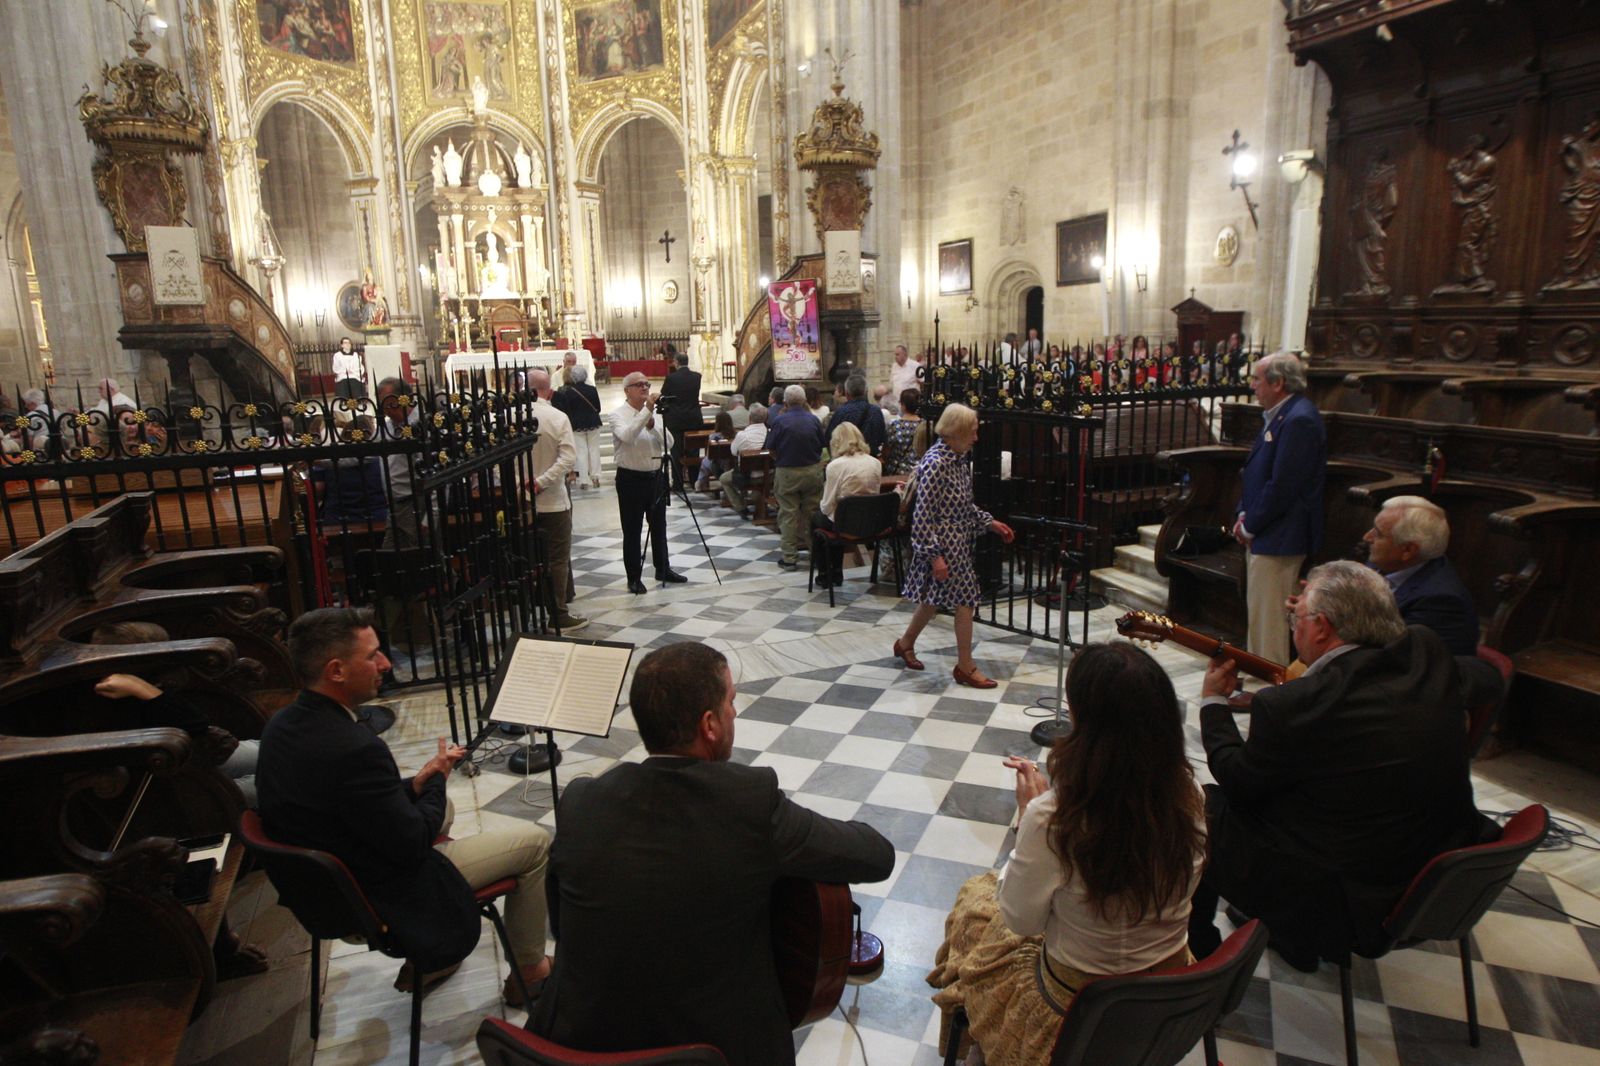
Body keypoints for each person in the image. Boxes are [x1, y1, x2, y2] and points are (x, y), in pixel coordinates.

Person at [527, 642, 893, 1064]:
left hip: (575, 1046)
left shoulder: (581, 801)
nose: (734, 712)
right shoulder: (749, 802)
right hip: (712, 1052)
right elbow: (875, 856)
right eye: (731, 702)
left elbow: (561, 925)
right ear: (710, 725)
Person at [1189, 561, 1487, 970]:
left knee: (1200, 809)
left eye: (1295, 618)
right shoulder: (1427, 651)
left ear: (1321, 627)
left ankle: (1203, 954)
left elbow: (1239, 780)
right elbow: (1490, 679)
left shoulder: (1299, 704)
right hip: (1435, 870)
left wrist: (1214, 702)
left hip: (1344, 894)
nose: (1293, 628)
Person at [928, 643, 1206, 1066]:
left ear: (1086, 726)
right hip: (1167, 996)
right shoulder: (1191, 795)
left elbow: (1022, 920)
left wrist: (1028, 818)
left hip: (1076, 1011)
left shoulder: (1055, 817)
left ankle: (976, 1053)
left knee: (975, 903)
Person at [257, 608, 553, 1000]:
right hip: (373, 894)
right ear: (336, 670)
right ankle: (529, 975)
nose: (385, 664)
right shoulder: (355, 748)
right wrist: (435, 782)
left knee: (440, 808)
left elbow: (350, 799)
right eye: (372, 655)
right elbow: (412, 842)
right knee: (534, 844)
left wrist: (416, 784)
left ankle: (436, 961)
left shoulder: (283, 723)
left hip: (324, 882)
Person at [891, 403, 1015, 687]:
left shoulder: (957, 460)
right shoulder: (936, 464)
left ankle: (905, 643)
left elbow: (962, 506)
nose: (976, 438)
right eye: (972, 432)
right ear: (956, 432)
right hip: (943, 546)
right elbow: (922, 516)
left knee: (932, 599)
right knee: (966, 600)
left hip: (957, 542)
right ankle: (965, 666)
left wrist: (989, 523)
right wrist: (935, 557)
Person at [1233, 352, 1325, 666]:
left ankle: (1265, 687)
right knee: (1260, 614)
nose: (1253, 387)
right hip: (1267, 529)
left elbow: (1283, 485)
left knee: (1270, 619)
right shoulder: (1281, 414)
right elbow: (1256, 473)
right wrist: (1243, 514)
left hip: (1281, 534)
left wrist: (1250, 525)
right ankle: (1255, 675)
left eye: (1257, 380)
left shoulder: (1299, 419)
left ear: (1278, 382)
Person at [1364, 495, 1478, 655]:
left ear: (1407, 550)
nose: (1367, 537)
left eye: (1378, 534)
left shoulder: (1440, 601)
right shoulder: (1385, 562)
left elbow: (1388, 654)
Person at [610, 371, 686, 593]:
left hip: (655, 477)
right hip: (630, 479)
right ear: (627, 390)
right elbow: (628, 436)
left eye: (647, 384)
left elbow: (669, 443)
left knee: (659, 527)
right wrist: (646, 414)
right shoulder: (617, 415)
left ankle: (663, 568)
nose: (645, 388)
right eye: (639, 385)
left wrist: (653, 424)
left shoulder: (654, 415)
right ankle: (633, 577)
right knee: (632, 531)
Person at [528, 369, 585, 631]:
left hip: (519, 503)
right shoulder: (557, 417)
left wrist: (522, 486)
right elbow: (567, 459)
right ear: (549, 391)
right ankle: (558, 612)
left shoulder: (503, 417)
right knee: (557, 558)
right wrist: (542, 482)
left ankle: (530, 611)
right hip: (551, 500)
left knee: (527, 557)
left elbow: (496, 461)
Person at [764, 384, 827, 572]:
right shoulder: (814, 420)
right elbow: (821, 446)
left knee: (788, 515)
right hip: (811, 471)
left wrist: (781, 459)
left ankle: (790, 558)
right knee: (812, 513)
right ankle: (816, 554)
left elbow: (771, 448)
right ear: (804, 400)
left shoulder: (780, 421)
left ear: (785, 401)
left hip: (788, 471)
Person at [811, 422, 881, 587]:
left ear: (836, 441)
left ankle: (825, 572)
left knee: (818, 520)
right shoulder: (874, 462)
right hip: (872, 522)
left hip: (845, 522)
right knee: (834, 521)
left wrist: (824, 510)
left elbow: (827, 505)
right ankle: (836, 572)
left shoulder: (836, 465)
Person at [375, 377, 423, 549]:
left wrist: (432, 513)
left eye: (389, 404)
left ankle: (450, 577)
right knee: (393, 554)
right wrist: (318, 458)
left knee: (422, 552)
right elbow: (359, 453)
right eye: (382, 406)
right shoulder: (386, 428)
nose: (386, 411)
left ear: (403, 399)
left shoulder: (422, 424)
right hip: (394, 502)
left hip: (416, 501)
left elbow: (434, 470)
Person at [659, 346, 703, 492]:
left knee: (676, 452)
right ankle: (694, 481)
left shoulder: (671, 378)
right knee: (693, 450)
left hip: (676, 419)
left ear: (676, 362)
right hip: (693, 418)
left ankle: (678, 485)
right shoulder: (697, 377)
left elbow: (664, 394)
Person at [554, 363, 604, 489]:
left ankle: (584, 480)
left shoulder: (568, 392)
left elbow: (567, 411)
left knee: (581, 452)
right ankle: (596, 477)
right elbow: (598, 408)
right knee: (594, 450)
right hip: (593, 422)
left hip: (576, 425)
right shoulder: (592, 389)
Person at [719, 403, 768, 512]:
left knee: (723, 478)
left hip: (749, 475)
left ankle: (740, 506)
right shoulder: (770, 432)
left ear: (749, 418)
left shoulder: (743, 435)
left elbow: (733, 452)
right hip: (770, 474)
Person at [827, 371, 888, 459]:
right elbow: (882, 438)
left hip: (847, 461)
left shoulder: (841, 412)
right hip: (870, 461)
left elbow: (830, 438)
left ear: (847, 393)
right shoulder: (876, 411)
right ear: (866, 392)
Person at [880, 387, 923, 477]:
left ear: (903, 405)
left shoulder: (894, 425)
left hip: (897, 473)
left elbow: (886, 451)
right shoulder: (924, 425)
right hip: (919, 471)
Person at [695, 409, 736, 492]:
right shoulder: (736, 435)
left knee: (705, 461)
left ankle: (699, 483)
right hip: (733, 464)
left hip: (718, 466)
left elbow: (710, 455)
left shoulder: (713, 436)